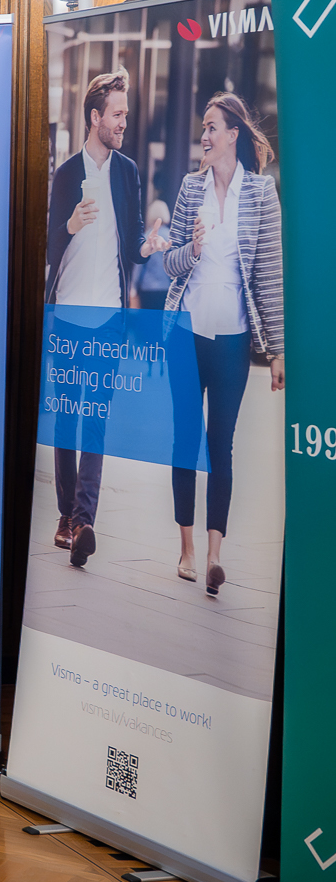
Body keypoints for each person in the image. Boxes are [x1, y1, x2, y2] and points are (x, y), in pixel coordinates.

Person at [160, 91, 286, 598]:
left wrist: (276, 350)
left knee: (221, 446)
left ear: (233, 134)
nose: (204, 136)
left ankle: (215, 556)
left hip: (233, 339)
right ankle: (187, 550)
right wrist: (192, 247)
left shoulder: (260, 194)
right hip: (185, 334)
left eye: (212, 127)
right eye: (203, 128)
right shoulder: (190, 188)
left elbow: (269, 275)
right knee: (184, 439)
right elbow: (169, 264)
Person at [45, 70, 141, 568]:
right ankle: (65, 514)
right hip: (66, 316)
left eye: (126, 113)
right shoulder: (66, 175)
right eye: (117, 114)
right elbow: (48, 247)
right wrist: (70, 223)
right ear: (95, 117)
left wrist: (152, 245)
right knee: (67, 420)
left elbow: (136, 240)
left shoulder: (127, 173)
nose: (124, 121)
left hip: (107, 319)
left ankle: (84, 521)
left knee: (96, 422)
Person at [134, 198, 172, 308]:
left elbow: (138, 266)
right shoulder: (170, 237)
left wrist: (133, 288)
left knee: (147, 317)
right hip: (166, 287)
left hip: (147, 287)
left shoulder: (146, 237)